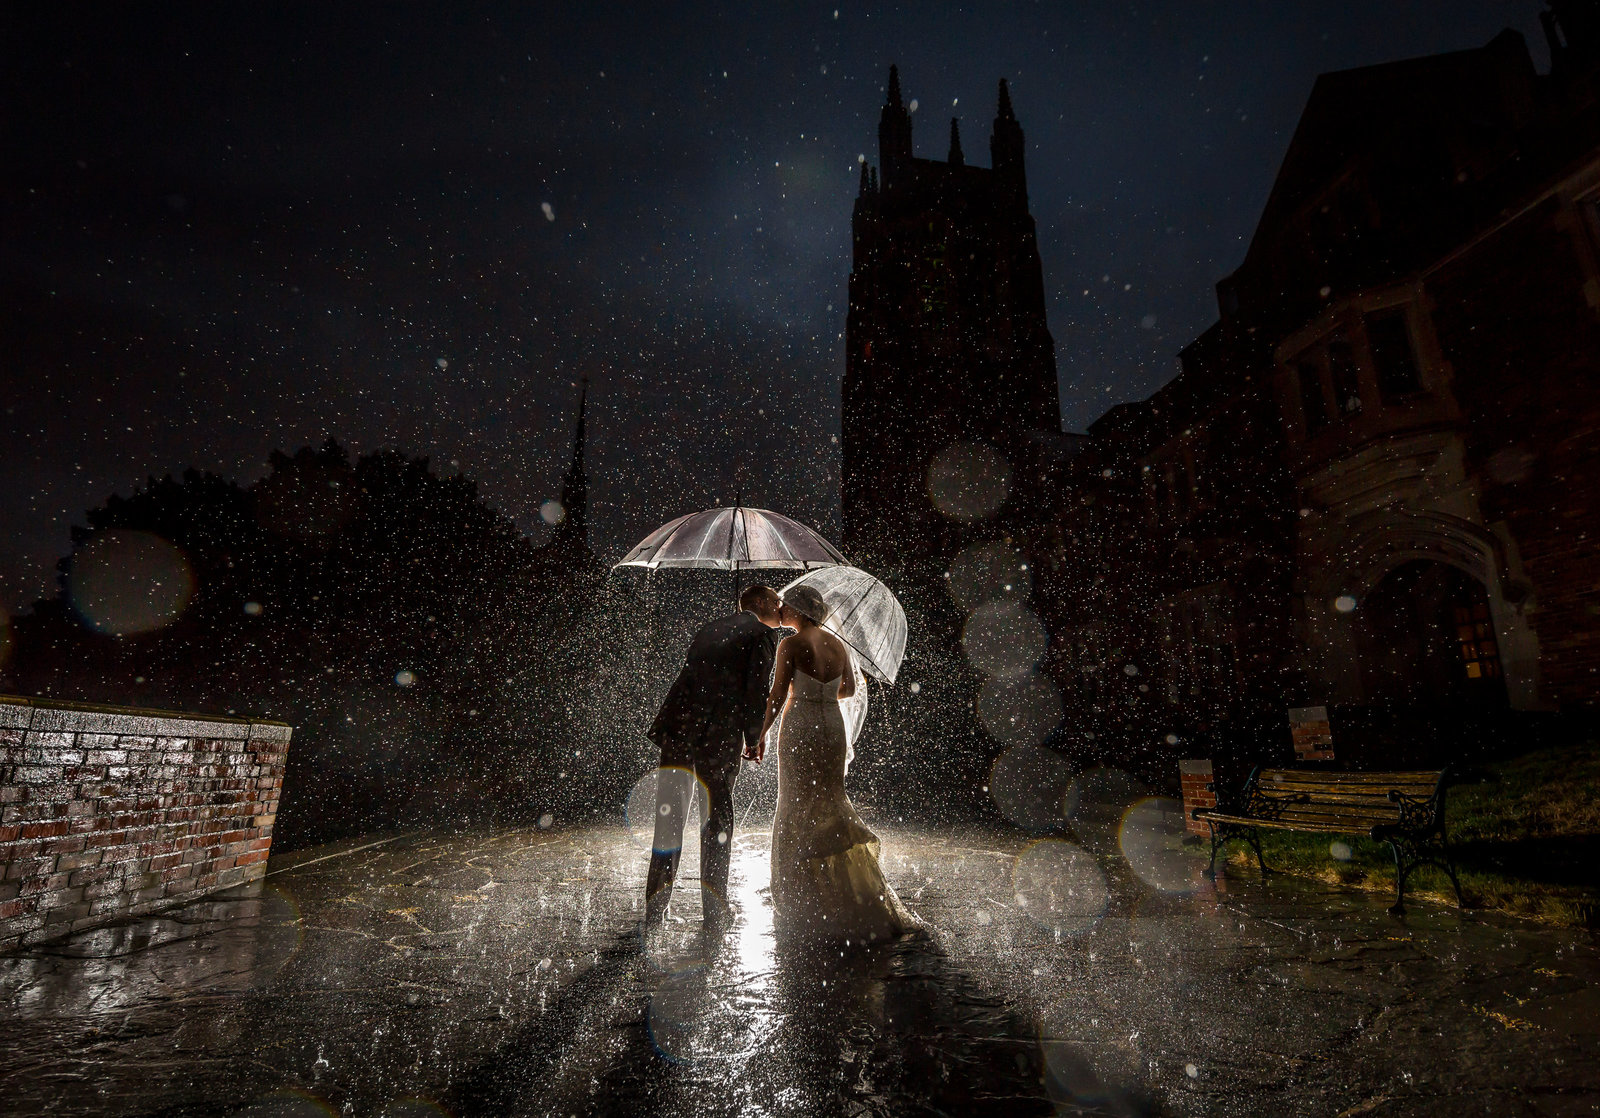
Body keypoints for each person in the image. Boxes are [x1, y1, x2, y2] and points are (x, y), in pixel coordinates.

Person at [759, 584, 921, 943]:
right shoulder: (838, 645)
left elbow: (775, 695)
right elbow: (848, 689)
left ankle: (800, 893)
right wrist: (822, 691)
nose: (782, 610)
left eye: (786, 606)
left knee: (795, 801)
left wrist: (760, 733)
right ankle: (847, 888)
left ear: (800, 611)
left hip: (800, 724)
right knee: (830, 799)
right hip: (832, 726)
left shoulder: (789, 645)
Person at [645, 584, 784, 932]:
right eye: (777, 603)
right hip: (717, 735)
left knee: (669, 818)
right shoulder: (763, 635)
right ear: (763, 604)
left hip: (679, 727)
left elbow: (693, 676)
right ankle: (715, 912)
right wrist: (755, 737)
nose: (780, 609)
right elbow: (756, 689)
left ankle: (655, 908)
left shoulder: (711, 627)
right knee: (717, 821)